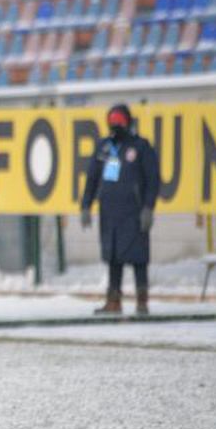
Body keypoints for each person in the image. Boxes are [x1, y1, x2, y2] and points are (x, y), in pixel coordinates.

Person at [79, 104, 160, 316]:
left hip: (133, 212)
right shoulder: (104, 147)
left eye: (119, 121)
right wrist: (86, 205)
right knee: (113, 257)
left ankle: (142, 301)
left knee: (138, 257)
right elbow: (92, 177)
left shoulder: (141, 147)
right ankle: (113, 301)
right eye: (111, 121)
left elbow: (153, 180)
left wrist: (148, 207)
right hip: (109, 212)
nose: (115, 125)